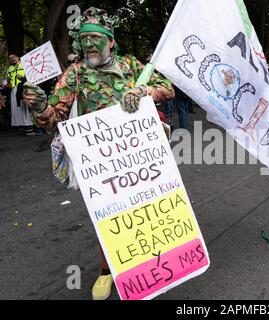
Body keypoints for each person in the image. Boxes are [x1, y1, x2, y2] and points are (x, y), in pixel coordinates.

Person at [22, 7, 175, 300]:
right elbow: (55, 119)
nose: (90, 43)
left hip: (141, 155)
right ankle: (107, 271)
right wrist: (40, 107)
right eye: (84, 38)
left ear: (111, 42)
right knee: (109, 217)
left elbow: (166, 88)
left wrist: (144, 92)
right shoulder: (75, 73)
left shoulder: (131, 65)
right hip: (101, 160)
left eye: (96, 38)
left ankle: (149, 265)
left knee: (146, 211)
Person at [7, 53, 34, 132]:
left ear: (18, 57)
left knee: (24, 105)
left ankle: (29, 125)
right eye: (10, 58)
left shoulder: (24, 65)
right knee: (16, 107)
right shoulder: (10, 68)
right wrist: (7, 84)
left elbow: (30, 75)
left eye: (14, 57)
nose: (12, 59)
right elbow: (8, 79)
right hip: (13, 89)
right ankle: (21, 124)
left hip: (23, 87)